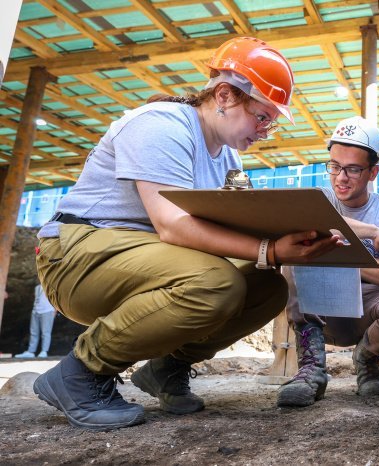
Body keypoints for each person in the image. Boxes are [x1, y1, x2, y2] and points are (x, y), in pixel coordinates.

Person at [32, 36, 342, 430]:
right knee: (216, 282)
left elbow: (232, 225)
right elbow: (173, 224)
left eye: (271, 122)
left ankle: (166, 368)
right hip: (76, 255)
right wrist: (270, 248)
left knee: (266, 288)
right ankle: (80, 373)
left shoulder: (227, 157)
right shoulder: (160, 125)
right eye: (262, 117)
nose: (265, 131)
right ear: (225, 95)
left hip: (142, 257)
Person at [276, 116, 379, 407]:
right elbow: (304, 225)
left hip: (368, 315)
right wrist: (371, 236)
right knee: (293, 259)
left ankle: (366, 358)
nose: (340, 177)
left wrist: (343, 263)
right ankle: (311, 370)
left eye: (352, 169)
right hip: (321, 315)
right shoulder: (317, 201)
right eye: (334, 166)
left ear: (373, 172)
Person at [15, 282, 57, 358]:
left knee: (46, 332)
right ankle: (31, 351)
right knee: (33, 332)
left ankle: (44, 351)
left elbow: (56, 299)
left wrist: (55, 311)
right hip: (36, 311)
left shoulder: (51, 286)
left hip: (47, 311)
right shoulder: (37, 287)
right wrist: (34, 310)